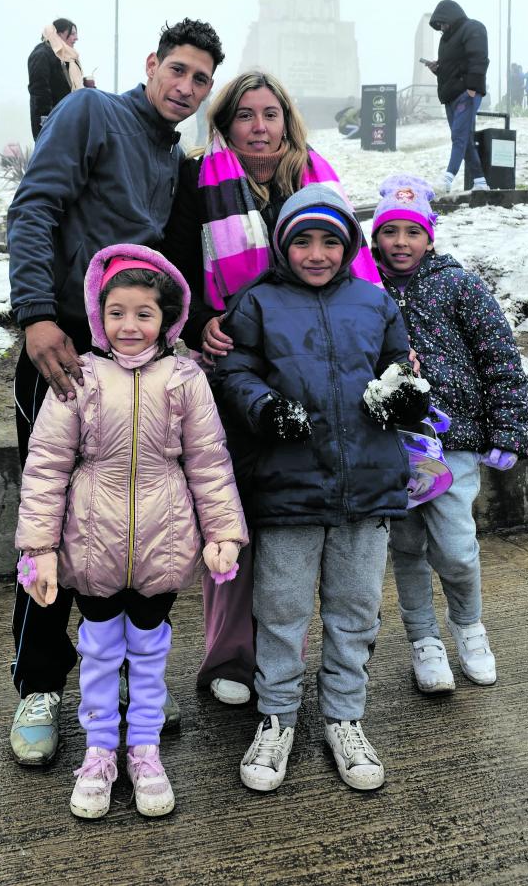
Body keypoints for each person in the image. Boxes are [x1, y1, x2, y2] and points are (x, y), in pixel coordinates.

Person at [6, 17, 225, 767]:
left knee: (123, 531)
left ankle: (125, 695)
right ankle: (38, 684)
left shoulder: (172, 155)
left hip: (136, 360)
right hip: (64, 347)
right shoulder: (91, 112)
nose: (186, 88)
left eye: (201, 80)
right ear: (151, 64)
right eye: (179, 70)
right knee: (54, 521)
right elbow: (34, 206)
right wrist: (36, 315)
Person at [160, 70, 381, 708]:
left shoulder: (315, 177)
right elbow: (173, 263)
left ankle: (309, 649)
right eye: (246, 116)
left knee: (309, 508)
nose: (260, 128)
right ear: (225, 124)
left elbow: (356, 267)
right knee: (233, 510)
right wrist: (201, 321)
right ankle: (231, 654)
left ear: (287, 120)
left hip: (318, 366)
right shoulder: (197, 179)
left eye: (271, 114)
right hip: (232, 367)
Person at [16, 245, 247, 819]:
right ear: (99, 316)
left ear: (167, 319)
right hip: (93, 544)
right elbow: (46, 465)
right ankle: (99, 752)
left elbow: (209, 461)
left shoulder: (186, 379)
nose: (129, 326)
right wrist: (38, 548)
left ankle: (144, 748)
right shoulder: (79, 380)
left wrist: (223, 532)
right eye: (116, 312)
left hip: (162, 545)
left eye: (144, 313)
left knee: (149, 648)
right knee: (97, 650)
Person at [215, 185, 416, 794]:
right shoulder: (259, 303)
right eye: (303, 240)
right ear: (283, 246)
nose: (318, 252)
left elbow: (398, 364)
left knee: (354, 611)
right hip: (288, 486)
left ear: (350, 245)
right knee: (281, 610)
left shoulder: (374, 304)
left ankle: (344, 716)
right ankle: (276, 715)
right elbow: (236, 370)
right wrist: (264, 407)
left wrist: (402, 392)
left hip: (367, 484)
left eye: (331, 240)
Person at [370, 174, 528, 694]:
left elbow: (499, 356)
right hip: (393, 443)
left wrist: (507, 429)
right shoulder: (363, 288)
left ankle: (469, 627)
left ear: (429, 237)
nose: (400, 243)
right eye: (389, 231)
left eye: (411, 232)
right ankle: (424, 641)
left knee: (457, 548)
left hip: (453, 439)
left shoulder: (459, 284)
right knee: (408, 547)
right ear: (375, 236)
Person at [423, 0, 490, 193]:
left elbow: (479, 58)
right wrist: (437, 69)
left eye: (443, 23)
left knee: (459, 137)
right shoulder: (446, 40)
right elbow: (451, 67)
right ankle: (480, 182)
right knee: (463, 138)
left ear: (450, 17)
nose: (442, 28)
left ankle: (447, 179)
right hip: (450, 94)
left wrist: (472, 87)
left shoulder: (473, 28)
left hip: (466, 93)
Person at [28, 18, 91, 139]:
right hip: (51, 125)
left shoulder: (67, 58)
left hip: (68, 121)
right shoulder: (42, 54)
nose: (76, 38)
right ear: (59, 34)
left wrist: (87, 88)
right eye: (72, 33)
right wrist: (46, 122)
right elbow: (39, 91)